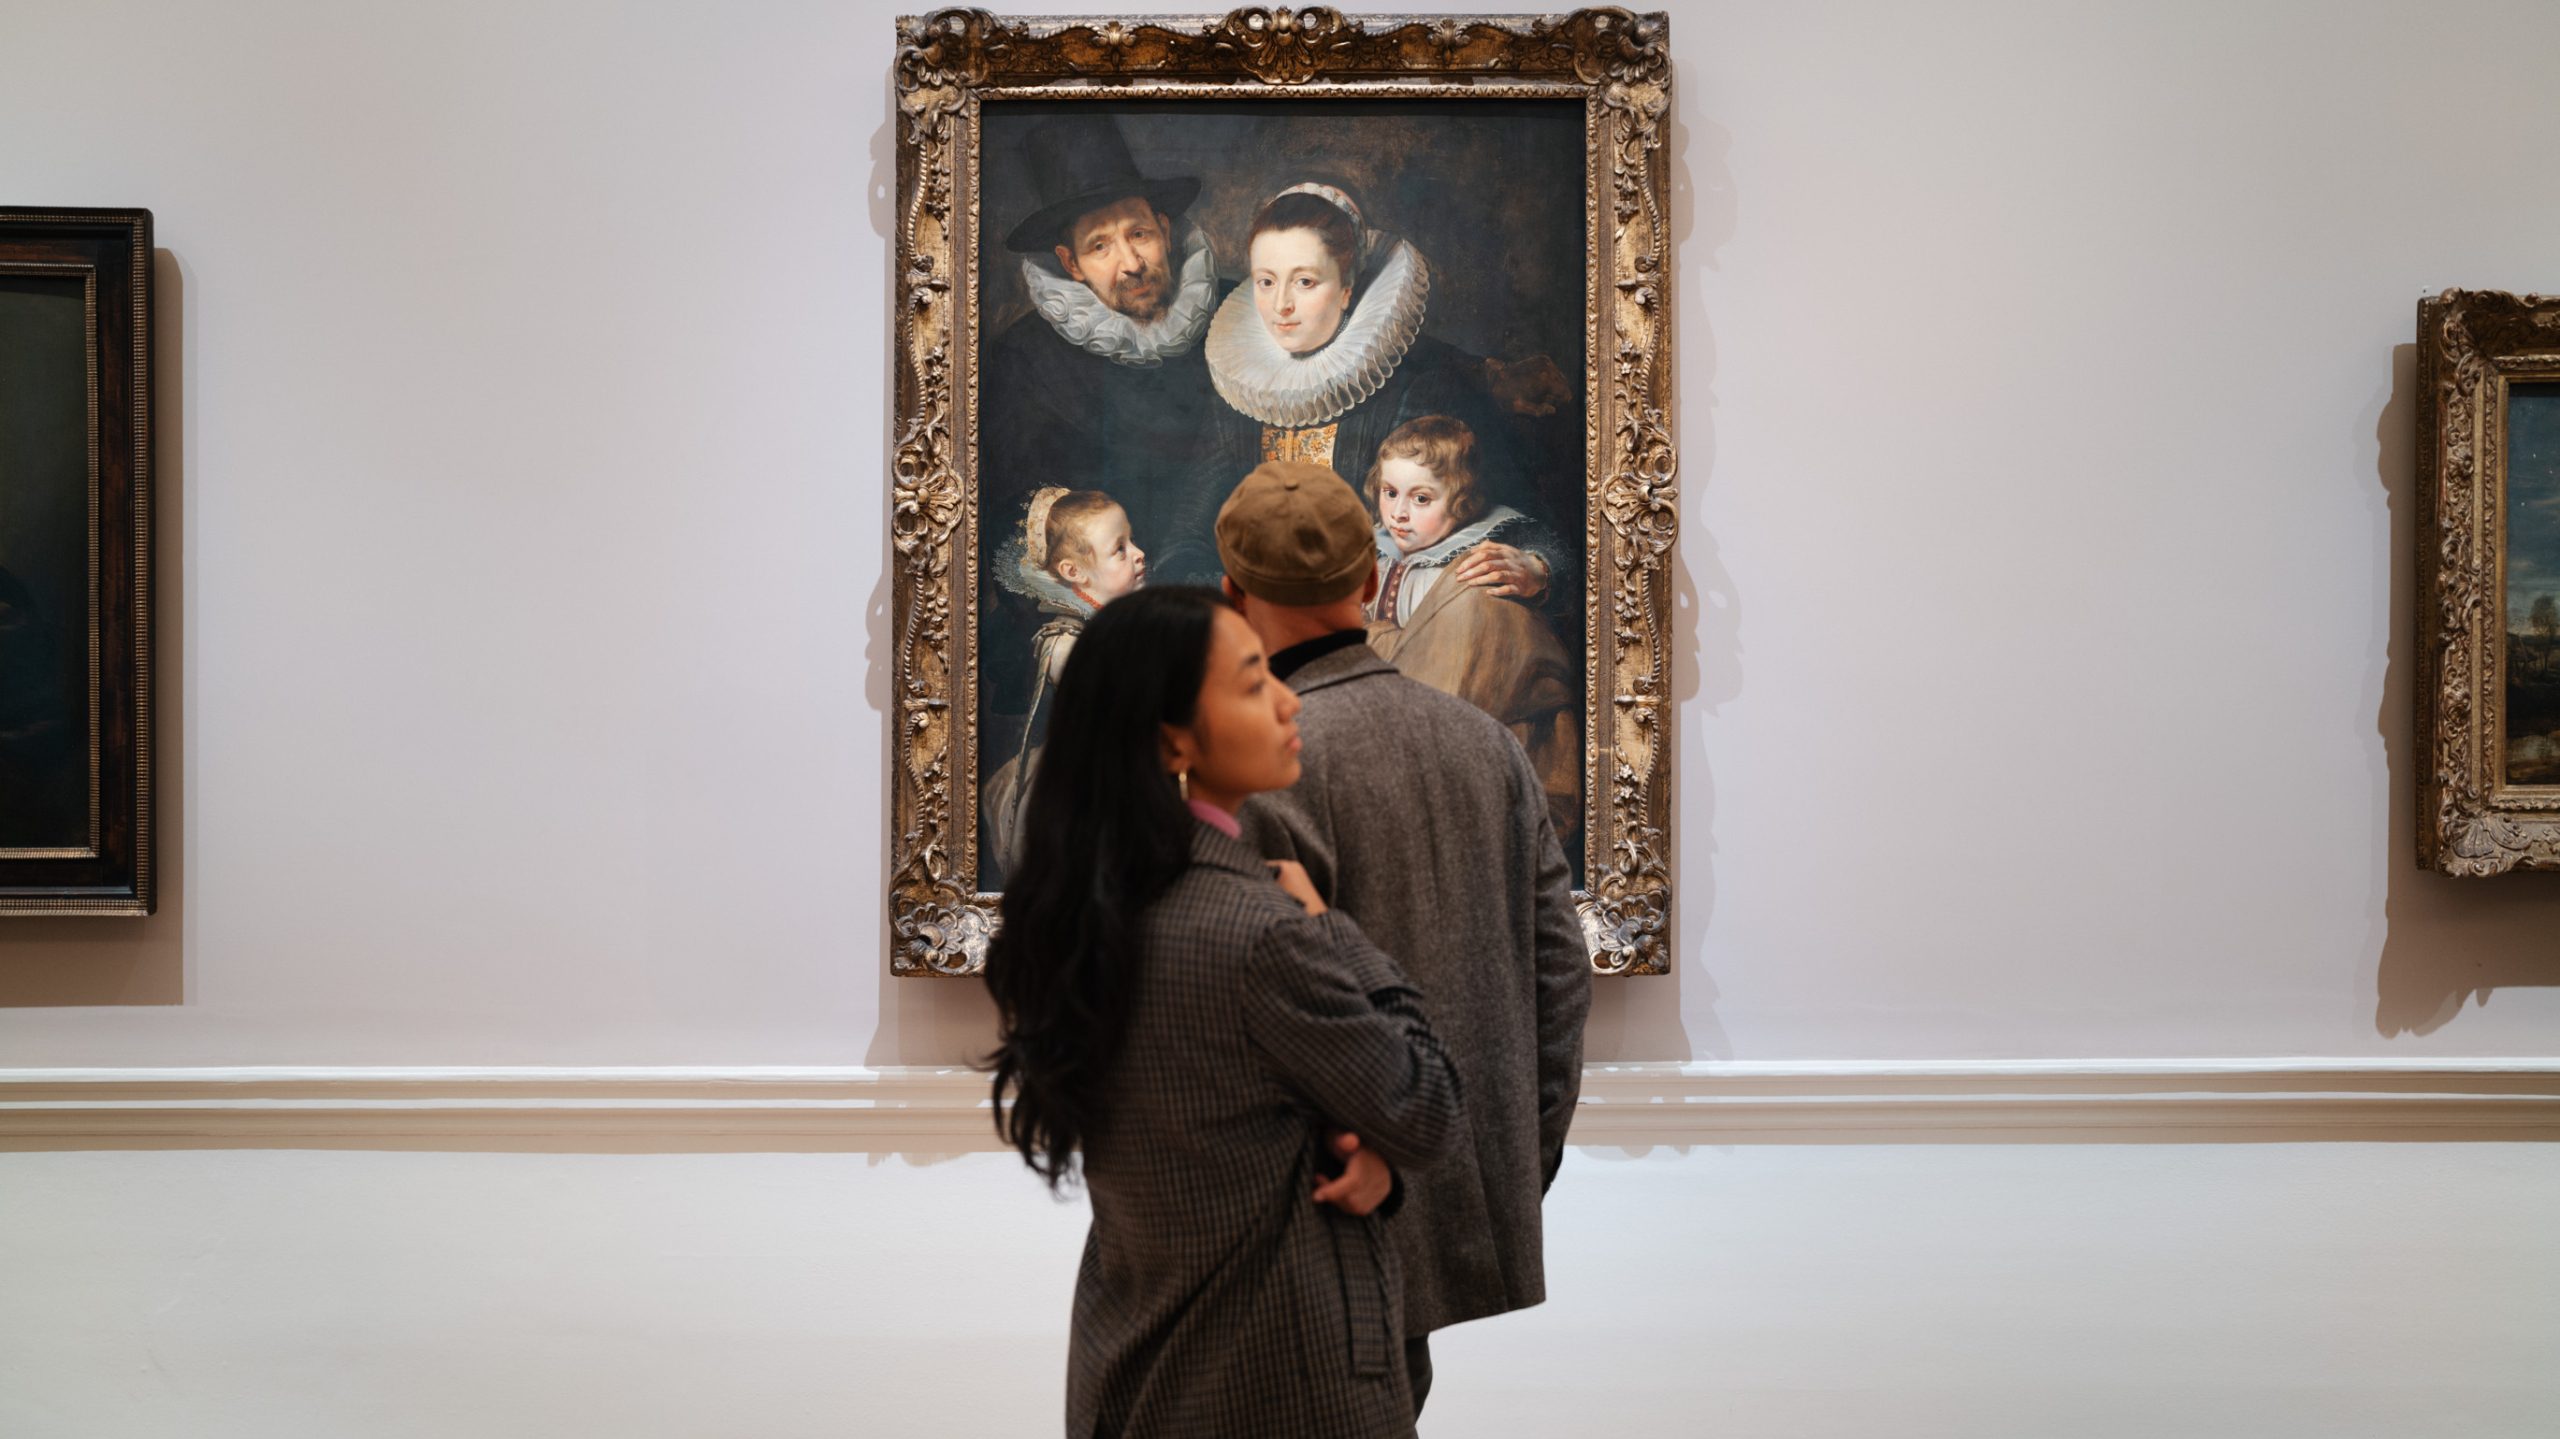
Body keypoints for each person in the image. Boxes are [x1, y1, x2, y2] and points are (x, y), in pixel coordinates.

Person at [983, 584, 1463, 1439]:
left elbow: (1222, 1134)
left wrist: (1360, 1149)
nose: (1287, 697)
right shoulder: (1261, 935)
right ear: (1173, 737)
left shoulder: (1091, 916)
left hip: (1135, 1372)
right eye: (1252, 683)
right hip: (1279, 1385)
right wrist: (1335, 931)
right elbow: (1427, 1107)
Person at [1216, 460, 1592, 1417]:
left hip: (1302, 1229)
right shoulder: (1484, 746)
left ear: (1233, 594)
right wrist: (1506, 1159)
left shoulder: (1266, 762)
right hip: (1439, 1196)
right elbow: (1559, 974)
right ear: (1362, 579)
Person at [1182, 181, 1568, 608]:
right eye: (1266, 281)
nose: (1281, 305)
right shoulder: (1242, 392)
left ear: (1347, 289)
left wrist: (1537, 565)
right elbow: (1183, 541)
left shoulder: (1417, 385)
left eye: (1306, 282)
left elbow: (1522, 520)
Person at [1362, 415, 1581, 847]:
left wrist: (1538, 569)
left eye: (1421, 499)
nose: (1399, 513)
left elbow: (1563, 560)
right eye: (1390, 493)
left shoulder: (1490, 544)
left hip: (1475, 709)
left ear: (1461, 501)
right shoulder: (1372, 547)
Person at [981, 487, 1149, 881]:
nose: (1139, 553)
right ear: (1074, 573)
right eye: (1120, 549)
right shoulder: (1061, 644)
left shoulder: (1113, 628)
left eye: (1132, 540)